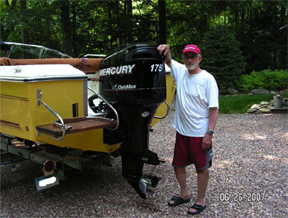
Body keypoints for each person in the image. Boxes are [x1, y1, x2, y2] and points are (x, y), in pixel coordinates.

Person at [157, 44, 219, 215]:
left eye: (193, 56)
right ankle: (184, 194)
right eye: (187, 57)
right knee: (177, 164)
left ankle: (201, 200)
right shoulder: (181, 71)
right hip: (182, 132)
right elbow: (168, 59)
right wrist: (166, 48)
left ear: (199, 58)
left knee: (201, 168)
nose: (190, 60)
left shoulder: (208, 79)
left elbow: (214, 108)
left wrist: (209, 134)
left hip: (199, 133)